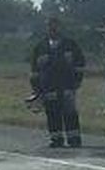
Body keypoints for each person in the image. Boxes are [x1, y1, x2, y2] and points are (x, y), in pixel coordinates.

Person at [29, 17, 85, 148]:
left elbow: (80, 64)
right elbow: (34, 70)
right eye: (50, 26)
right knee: (52, 113)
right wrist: (36, 89)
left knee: (70, 113)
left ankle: (74, 139)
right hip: (48, 87)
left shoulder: (70, 45)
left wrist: (77, 82)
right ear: (47, 28)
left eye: (55, 26)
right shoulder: (40, 47)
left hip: (67, 85)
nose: (53, 29)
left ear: (60, 27)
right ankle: (56, 139)